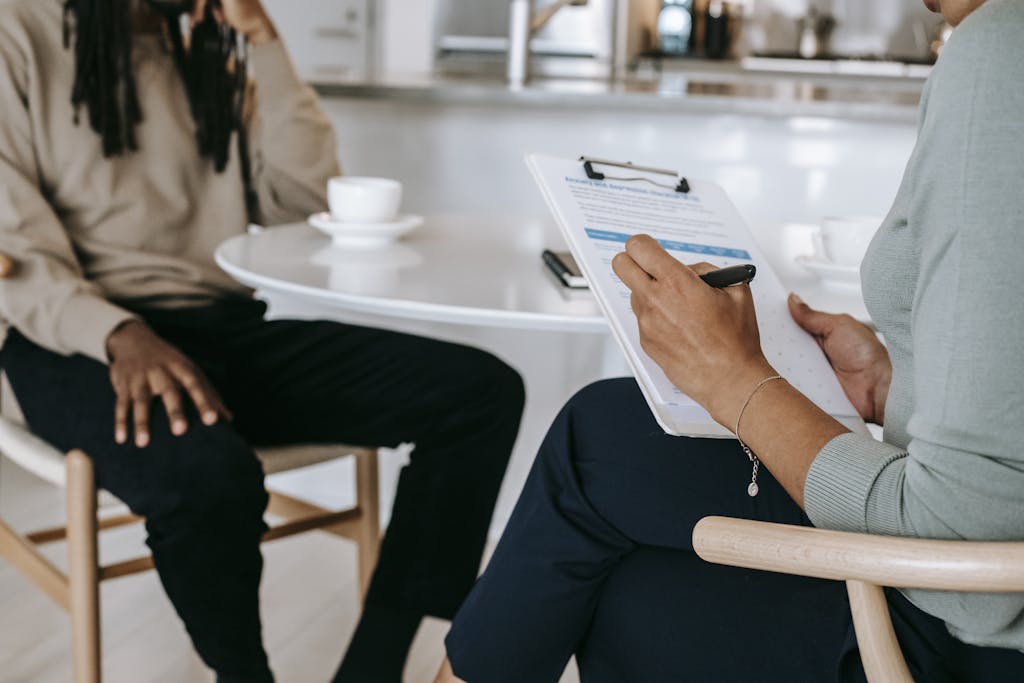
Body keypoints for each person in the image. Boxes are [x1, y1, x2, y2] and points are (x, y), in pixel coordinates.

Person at [435, 0, 1024, 681]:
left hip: (967, 643)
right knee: (615, 520)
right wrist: (894, 385)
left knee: (599, 449)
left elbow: (967, 557)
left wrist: (734, 380)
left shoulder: (1001, 47)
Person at [0, 1, 524, 681]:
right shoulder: (20, 29)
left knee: (479, 393)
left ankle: (374, 664)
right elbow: (11, 249)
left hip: (220, 327)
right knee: (207, 476)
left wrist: (266, 44)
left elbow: (301, 202)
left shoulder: (208, 51)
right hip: (72, 337)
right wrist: (116, 332)